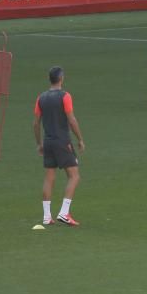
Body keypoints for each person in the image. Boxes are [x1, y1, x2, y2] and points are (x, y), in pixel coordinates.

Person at [34, 66, 85, 226]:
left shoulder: (41, 98)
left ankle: (46, 217)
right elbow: (71, 120)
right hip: (62, 141)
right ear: (61, 79)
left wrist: (39, 143)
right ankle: (64, 213)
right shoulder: (65, 96)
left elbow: (35, 123)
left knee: (49, 178)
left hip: (48, 142)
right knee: (74, 176)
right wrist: (80, 139)